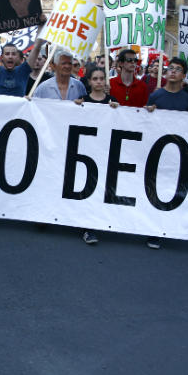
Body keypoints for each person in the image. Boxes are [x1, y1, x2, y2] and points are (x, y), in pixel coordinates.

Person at [145, 57, 188, 249]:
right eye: (170, 68)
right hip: (156, 151)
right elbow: (145, 122)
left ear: (183, 76)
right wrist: (149, 111)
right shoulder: (156, 96)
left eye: (177, 69)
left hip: (176, 153)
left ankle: (164, 227)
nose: (172, 72)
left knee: (169, 190)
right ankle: (152, 230)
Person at [73, 67, 119, 245]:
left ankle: (94, 221)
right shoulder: (82, 101)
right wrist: (75, 108)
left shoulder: (112, 101)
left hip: (105, 151)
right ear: (89, 82)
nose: (99, 82)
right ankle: (86, 226)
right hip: (85, 152)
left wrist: (117, 109)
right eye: (95, 79)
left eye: (102, 78)